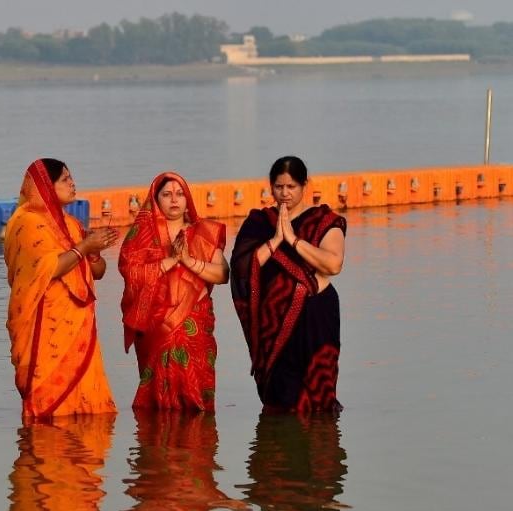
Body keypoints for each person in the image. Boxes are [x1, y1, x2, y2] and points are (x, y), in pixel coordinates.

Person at [230, 156, 347, 414]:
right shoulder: (259, 223)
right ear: (270, 187)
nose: (284, 193)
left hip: (316, 316)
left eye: (291, 187)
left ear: (305, 185)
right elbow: (240, 268)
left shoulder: (324, 220)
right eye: (279, 187)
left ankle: (320, 446)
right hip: (272, 324)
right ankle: (279, 449)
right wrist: (274, 241)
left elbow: (333, 265)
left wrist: (293, 240)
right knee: (280, 398)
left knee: (318, 394)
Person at [4, 158, 119, 419]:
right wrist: (84, 248)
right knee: (48, 410)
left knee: (90, 414)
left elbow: (97, 273)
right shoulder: (26, 223)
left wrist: (95, 252)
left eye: (71, 177)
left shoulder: (71, 224)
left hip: (79, 327)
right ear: (45, 186)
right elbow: (47, 269)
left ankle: (81, 455)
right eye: (65, 179)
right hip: (46, 327)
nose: (73, 183)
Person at [119, 172, 229, 412]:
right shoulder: (140, 238)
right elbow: (130, 273)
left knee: (196, 401)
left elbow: (222, 275)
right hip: (156, 327)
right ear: (155, 199)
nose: (174, 200)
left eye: (180, 194)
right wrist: (168, 262)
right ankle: (159, 444)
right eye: (167, 195)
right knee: (158, 404)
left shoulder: (202, 232)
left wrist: (188, 261)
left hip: (195, 323)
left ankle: (196, 444)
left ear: (187, 198)